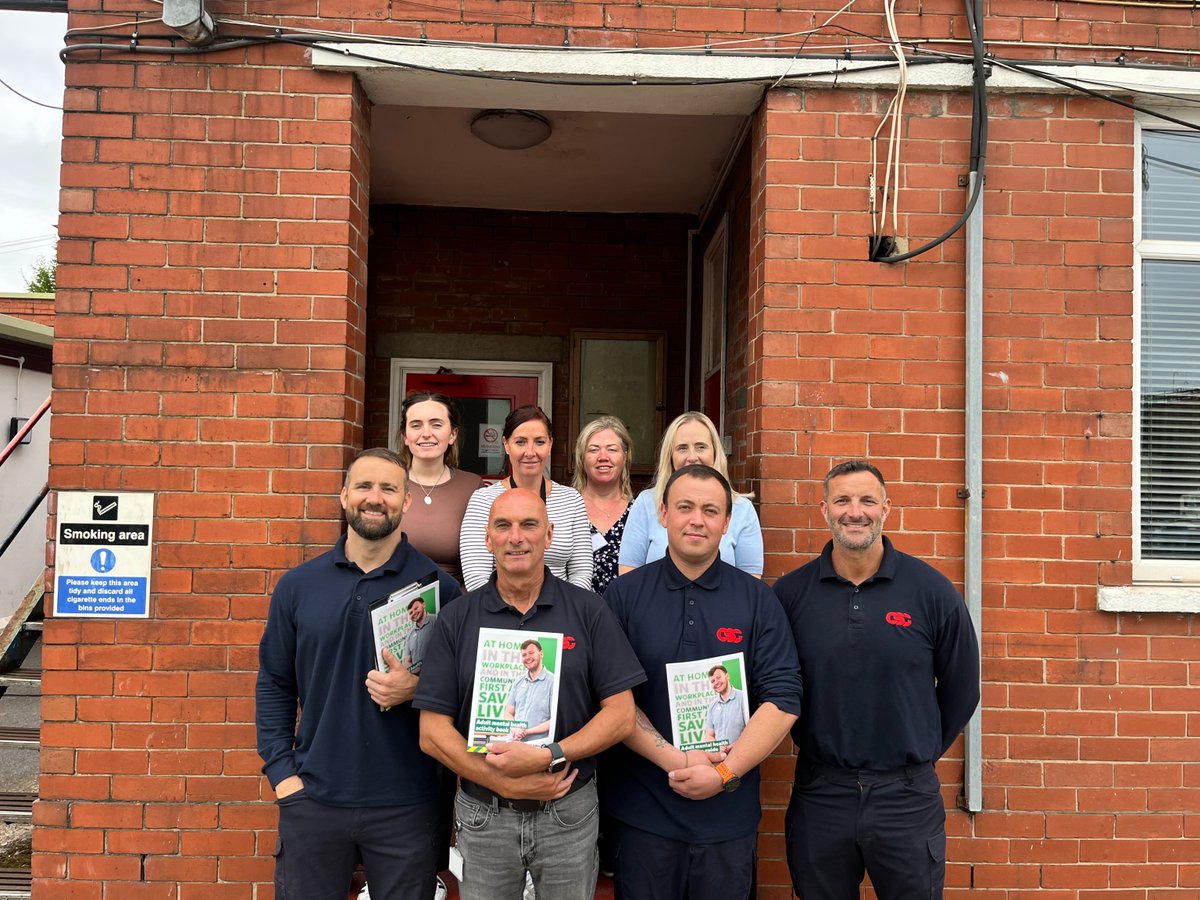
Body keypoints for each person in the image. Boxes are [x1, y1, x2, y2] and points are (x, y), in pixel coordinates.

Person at [416, 488, 646, 900]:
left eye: (529, 525)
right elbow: (431, 731)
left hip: (568, 808)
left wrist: (549, 755)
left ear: (550, 535)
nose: (516, 537)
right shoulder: (457, 618)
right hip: (484, 813)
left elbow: (622, 715)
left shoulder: (589, 611)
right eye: (503, 526)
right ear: (487, 538)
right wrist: (500, 781)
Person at [255, 448, 463, 899]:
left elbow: (463, 691)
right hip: (313, 797)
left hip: (409, 804)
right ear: (344, 495)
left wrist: (418, 688)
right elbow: (274, 681)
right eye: (365, 486)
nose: (376, 498)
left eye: (389, 488)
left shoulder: (441, 591)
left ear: (406, 501)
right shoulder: (298, 586)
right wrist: (282, 775)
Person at [773, 459, 980, 900]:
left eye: (867, 500)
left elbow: (963, 688)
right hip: (821, 792)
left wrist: (915, 753)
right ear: (824, 509)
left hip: (905, 796)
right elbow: (770, 684)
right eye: (842, 500)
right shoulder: (790, 595)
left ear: (887, 508)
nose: (855, 511)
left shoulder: (932, 591)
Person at [602, 464, 802, 900]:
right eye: (685, 507)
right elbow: (611, 698)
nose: (697, 519)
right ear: (663, 515)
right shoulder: (623, 596)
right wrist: (675, 759)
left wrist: (726, 773)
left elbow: (783, 698)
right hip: (643, 815)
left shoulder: (757, 600)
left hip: (728, 817)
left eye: (710, 510)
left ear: (727, 523)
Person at [459, 405, 593, 591]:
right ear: (506, 444)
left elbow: (582, 571)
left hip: (562, 613)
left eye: (539, 442)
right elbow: (476, 577)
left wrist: (564, 609)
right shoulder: (483, 500)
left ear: (550, 444)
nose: (530, 452)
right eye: (520, 442)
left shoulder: (571, 500)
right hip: (498, 613)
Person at [618, 411, 763, 578]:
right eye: (682, 448)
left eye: (701, 447)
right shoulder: (646, 503)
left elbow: (750, 584)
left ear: (715, 452)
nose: (692, 457)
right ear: (670, 455)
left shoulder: (742, 509)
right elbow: (629, 577)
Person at [398, 391, 483, 586]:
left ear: (453, 434)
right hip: (394, 605)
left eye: (436, 424)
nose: (426, 433)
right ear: (405, 436)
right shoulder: (387, 485)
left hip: (456, 603)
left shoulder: (473, 487)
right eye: (416, 425)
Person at [573, 415, 635, 594]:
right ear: (581, 458)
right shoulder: (568, 507)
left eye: (612, 449)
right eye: (593, 450)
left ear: (625, 457)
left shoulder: (639, 511)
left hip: (626, 616)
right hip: (576, 615)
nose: (603, 457)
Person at [501, 638, 555, 743]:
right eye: (524, 655)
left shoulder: (553, 682)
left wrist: (527, 732)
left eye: (531, 653)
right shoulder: (518, 681)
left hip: (538, 745)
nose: (527, 657)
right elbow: (508, 712)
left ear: (541, 654)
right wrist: (515, 729)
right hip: (513, 742)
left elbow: (554, 721)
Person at [702, 665, 747, 747]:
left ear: (727, 676)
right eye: (712, 681)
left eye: (719, 677)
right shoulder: (712, 705)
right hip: (720, 756)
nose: (716, 682)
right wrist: (718, 747)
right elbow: (709, 735)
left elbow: (751, 730)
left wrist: (734, 746)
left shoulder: (743, 698)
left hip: (741, 752)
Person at [402, 595, 437, 673]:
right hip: (419, 679)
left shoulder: (437, 619)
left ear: (423, 605)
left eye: (416, 608)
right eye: (411, 612)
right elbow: (407, 661)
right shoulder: (409, 635)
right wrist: (417, 671)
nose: (414, 613)